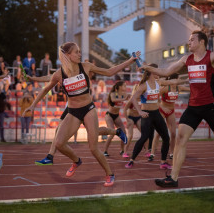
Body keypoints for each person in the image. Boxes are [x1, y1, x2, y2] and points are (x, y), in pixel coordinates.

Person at [139, 30, 214, 187]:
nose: (188, 42)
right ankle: (173, 178)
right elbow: (165, 72)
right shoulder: (186, 59)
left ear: (202, 42)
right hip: (193, 106)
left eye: (192, 40)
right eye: (188, 40)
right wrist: (146, 68)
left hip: (210, 105)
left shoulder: (212, 57)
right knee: (180, 138)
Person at [23, 42, 140, 187]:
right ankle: (77, 161)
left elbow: (110, 72)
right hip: (73, 112)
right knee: (59, 143)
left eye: (79, 51)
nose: (80, 54)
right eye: (76, 52)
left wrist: (130, 60)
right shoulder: (59, 74)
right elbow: (45, 89)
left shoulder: (86, 66)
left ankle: (110, 174)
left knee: (93, 147)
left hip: (88, 109)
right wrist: (33, 105)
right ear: (67, 55)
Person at [124, 64, 174, 170]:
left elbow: (172, 82)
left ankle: (163, 162)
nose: (159, 73)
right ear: (152, 72)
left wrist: (187, 79)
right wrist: (140, 111)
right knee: (144, 137)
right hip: (147, 114)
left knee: (166, 137)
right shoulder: (143, 85)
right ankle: (132, 160)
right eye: (157, 71)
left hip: (156, 113)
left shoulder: (158, 83)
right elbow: (133, 99)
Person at [149, 74, 189, 161]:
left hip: (171, 112)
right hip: (162, 111)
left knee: (174, 133)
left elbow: (191, 89)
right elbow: (154, 97)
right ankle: (152, 153)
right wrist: (161, 107)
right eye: (177, 79)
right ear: (173, 80)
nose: (178, 81)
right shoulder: (166, 88)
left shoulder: (179, 88)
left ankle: (171, 153)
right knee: (158, 133)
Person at [103, 81, 128, 157]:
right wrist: (124, 98)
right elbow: (114, 100)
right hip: (109, 115)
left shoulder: (124, 94)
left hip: (116, 115)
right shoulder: (113, 94)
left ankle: (122, 150)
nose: (125, 87)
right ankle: (105, 151)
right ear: (120, 87)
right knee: (111, 133)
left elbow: (131, 97)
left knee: (124, 132)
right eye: (124, 85)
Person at [123, 84, 141, 158]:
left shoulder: (142, 98)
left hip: (138, 117)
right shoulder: (132, 99)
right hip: (131, 117)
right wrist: (127, 119)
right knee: (130, 136)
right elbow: (125, 109)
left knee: (145, 134)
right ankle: (125, 152)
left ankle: (147, 151)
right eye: (138, 89)